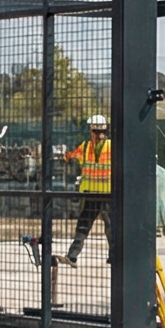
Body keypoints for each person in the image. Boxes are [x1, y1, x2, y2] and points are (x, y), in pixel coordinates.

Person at [60, 113, 112, 265]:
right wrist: (66, 156)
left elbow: (70, 156)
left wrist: (65, 155)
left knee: (87, 225)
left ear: (92, 131)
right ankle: (72, 256)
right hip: (102, 194)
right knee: (107, 226)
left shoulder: (89, 147)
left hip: (99, 194)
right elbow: (71, 155)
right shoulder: (94, 147)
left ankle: (72, 256)